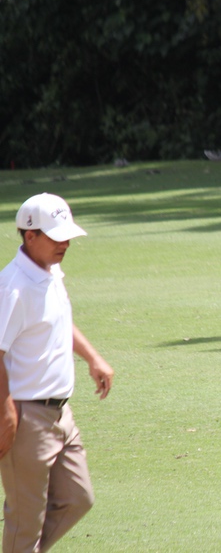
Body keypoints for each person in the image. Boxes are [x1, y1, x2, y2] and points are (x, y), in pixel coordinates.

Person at [0, 193, 114, 553]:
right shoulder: (13, 287)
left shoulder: (50, 273)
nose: (64, 244)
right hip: (26, 416)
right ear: (30, 235)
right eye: (56, 237)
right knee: (25, 522)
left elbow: (59, 320)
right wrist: (6, 412)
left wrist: (92, 357)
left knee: (78, 499)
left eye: (67, 236)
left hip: (61, 413)